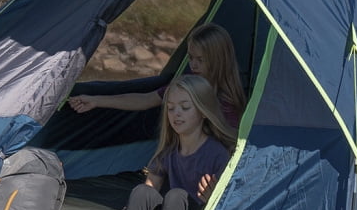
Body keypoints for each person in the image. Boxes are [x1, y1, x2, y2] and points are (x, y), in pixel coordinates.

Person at [88, 74, 232, 210]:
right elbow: (140, 199)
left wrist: (212, 200)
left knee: (177, 195)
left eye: (185, 107)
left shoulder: (218, 154)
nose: (176, 114)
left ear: (203, 111)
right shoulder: (168, 153)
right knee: (142, 191)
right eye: (171, 108)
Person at [66, 21, 245, 133]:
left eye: (201, 60)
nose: (194, 64)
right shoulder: (187, 83)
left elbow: (230, 140)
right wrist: (96, 100)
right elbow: (146, 99)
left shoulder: (227, 98)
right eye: (190, 57)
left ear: (218, 59)